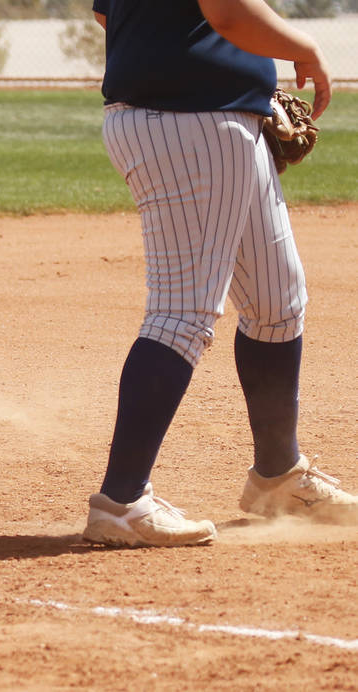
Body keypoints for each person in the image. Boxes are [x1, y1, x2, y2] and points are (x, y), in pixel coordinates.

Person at [83, 0, 358, 548]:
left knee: (278, 299)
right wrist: (303, 48)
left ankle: (278, 476)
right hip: (196, 125)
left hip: (208, 118)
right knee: (181, 311)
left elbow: (111, 18)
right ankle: (121, 501)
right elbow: (229, 11)